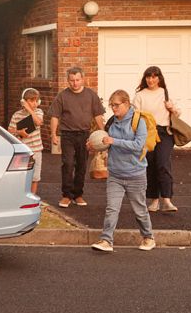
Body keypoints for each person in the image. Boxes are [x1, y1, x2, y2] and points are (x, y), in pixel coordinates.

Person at [89, 90, 155, 253]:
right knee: (112, 208)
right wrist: (94, 143)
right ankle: (106, 240)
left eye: (116, 105)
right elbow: (105, 141)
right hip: (115, 174)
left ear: (126, 103)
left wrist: (114, 141)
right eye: (111, 105)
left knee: (140, 210)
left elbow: (139, 145)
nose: (113, 108)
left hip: (135, 174)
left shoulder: (138, 121)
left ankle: (148, 237)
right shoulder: (112, 121)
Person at [48, 66, 105, 209]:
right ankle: (66, 195)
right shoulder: (62, 96)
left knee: (81, 165)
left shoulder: (91, 95)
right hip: (67, 135)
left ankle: (78, 194)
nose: (75, 83)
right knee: (67, 164)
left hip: (85, 135)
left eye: (77, 80)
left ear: (83, 79)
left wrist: (103, 132)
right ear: (68, 80)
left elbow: (98, 115)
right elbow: (55, 116)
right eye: (72, 80)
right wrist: (53, 134)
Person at [133, 65, 180, 213]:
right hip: (147, 132)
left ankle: (167, 200)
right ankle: (154, 201)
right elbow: (135, 116)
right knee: (150, 166)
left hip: (164, 132)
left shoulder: (164, 93)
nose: (151, 80)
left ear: (159, 78)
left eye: (154, 76)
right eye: (148, 77)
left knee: (163, 163)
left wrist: (171, 108)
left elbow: (177, 114)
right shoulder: (140, 95)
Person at [8, 88, 44, 195]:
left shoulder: (38, 112)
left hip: (36, 151)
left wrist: (29, 109)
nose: (34, 103)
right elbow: (9, 131)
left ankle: (32, 196)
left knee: (35, 177)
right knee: (22, 176)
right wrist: (19, 132)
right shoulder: (17, 115)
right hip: (23, 151)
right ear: (23, 101)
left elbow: (38, 122)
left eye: (36, 101)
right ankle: (21, 196)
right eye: (31, 101)